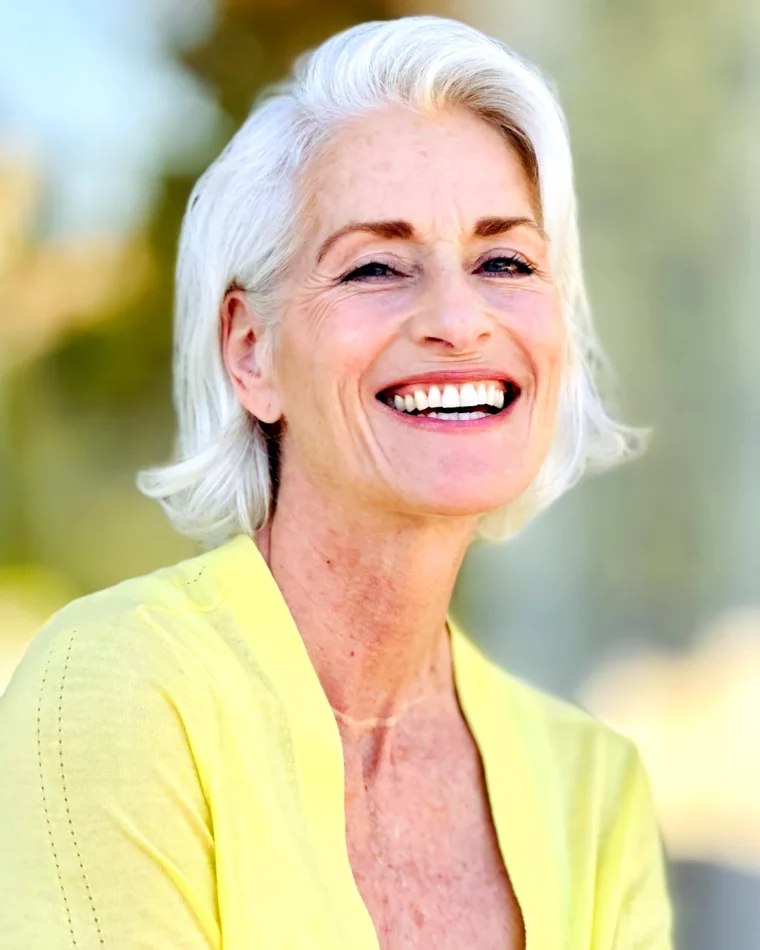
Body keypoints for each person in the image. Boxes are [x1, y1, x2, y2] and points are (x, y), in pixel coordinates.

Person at [0, 15, 673, 950]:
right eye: (376, 266)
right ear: (251, 352)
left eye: (505, 261)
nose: (458, 318)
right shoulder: (118, 692)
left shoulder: (595, 788)